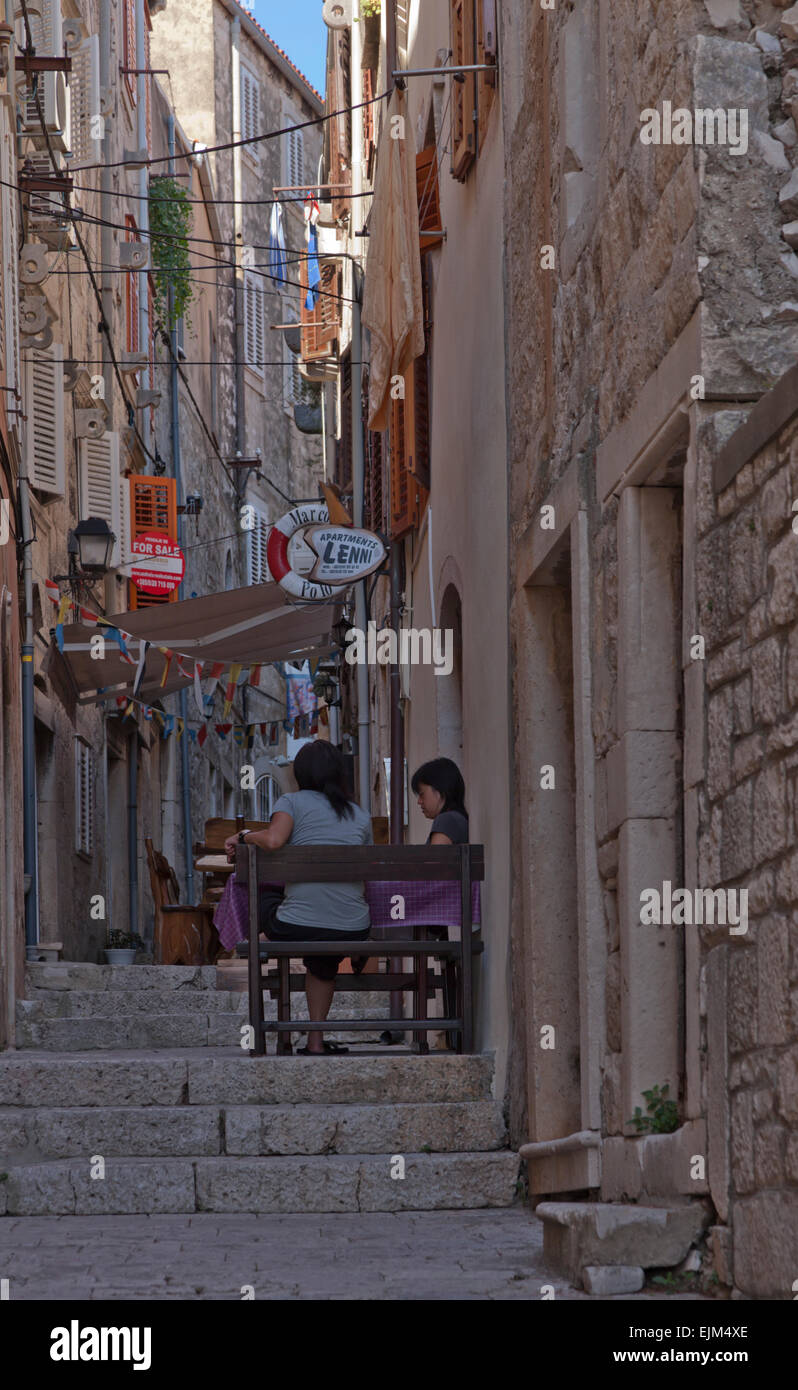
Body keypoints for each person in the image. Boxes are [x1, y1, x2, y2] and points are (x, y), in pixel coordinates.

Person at [225, 741, 372, 1055]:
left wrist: (243, 836)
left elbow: (275, 839)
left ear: (301, 774)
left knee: (266, 892)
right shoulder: (360, 815)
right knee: (322, 959)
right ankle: (315, 1042)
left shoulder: (290, 802)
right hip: (353, 928)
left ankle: (261, 939)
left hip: (298, 925)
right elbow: (368, 875)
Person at [411, 757, 469, 844]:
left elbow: (436, 857)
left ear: (440, 790)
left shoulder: (446, 820)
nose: (419, 801)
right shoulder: (457, 818)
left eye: (422, 794)